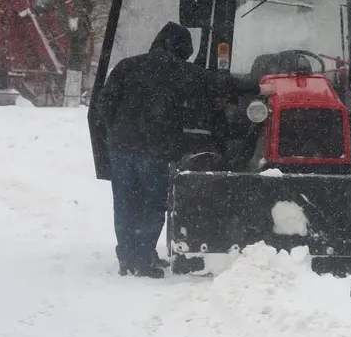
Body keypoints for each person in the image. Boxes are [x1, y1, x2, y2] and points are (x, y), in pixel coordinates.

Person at [92, 21, 272, 278]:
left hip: (122, 148)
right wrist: (257, 88)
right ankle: (143, 260)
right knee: (152, 204)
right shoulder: (179, 71)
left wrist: (117, 129)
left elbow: (104, 101)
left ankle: (127, 257)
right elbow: (219, 83)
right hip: (153, 150)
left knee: (125, 203)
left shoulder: (127, 66)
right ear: (182, 49)